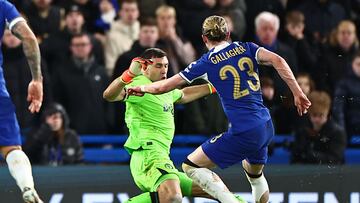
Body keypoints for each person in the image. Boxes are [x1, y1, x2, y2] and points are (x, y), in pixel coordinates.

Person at [127, 15, 311, 203]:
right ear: (228, 34)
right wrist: (297, 92)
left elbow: (163, 87)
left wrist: (140, 88)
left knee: (190, 166)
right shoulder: (247, 47)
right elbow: (278, 60)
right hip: (265, 125)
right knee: (254, 174)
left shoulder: (206, 62)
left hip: (244, 130)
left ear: (204, 38)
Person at [103, 48, 245, 203]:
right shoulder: (139, 85)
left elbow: (183, 95)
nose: (164, 70)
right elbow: (110, 95)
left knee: (219, 192)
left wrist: (213, 87)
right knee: (172, 196)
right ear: (144, 67)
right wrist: (128, 75)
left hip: (162, 157)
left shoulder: (164, 88)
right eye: (158, 66)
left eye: (166, 65)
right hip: (148, 155)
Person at [0, 1, 43, 202]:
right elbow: (28, 37)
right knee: (11, 149)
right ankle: (27, 187)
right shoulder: (3, 6)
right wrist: (36, 79)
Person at [291, 91, 346, 164]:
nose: (317, 119)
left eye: (321, 115)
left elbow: (335, 159)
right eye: (314, 115)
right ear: (309, 114)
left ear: (327, 113)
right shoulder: (303, 130)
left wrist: (310, 154)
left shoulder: (337, 132)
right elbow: (295, 158)